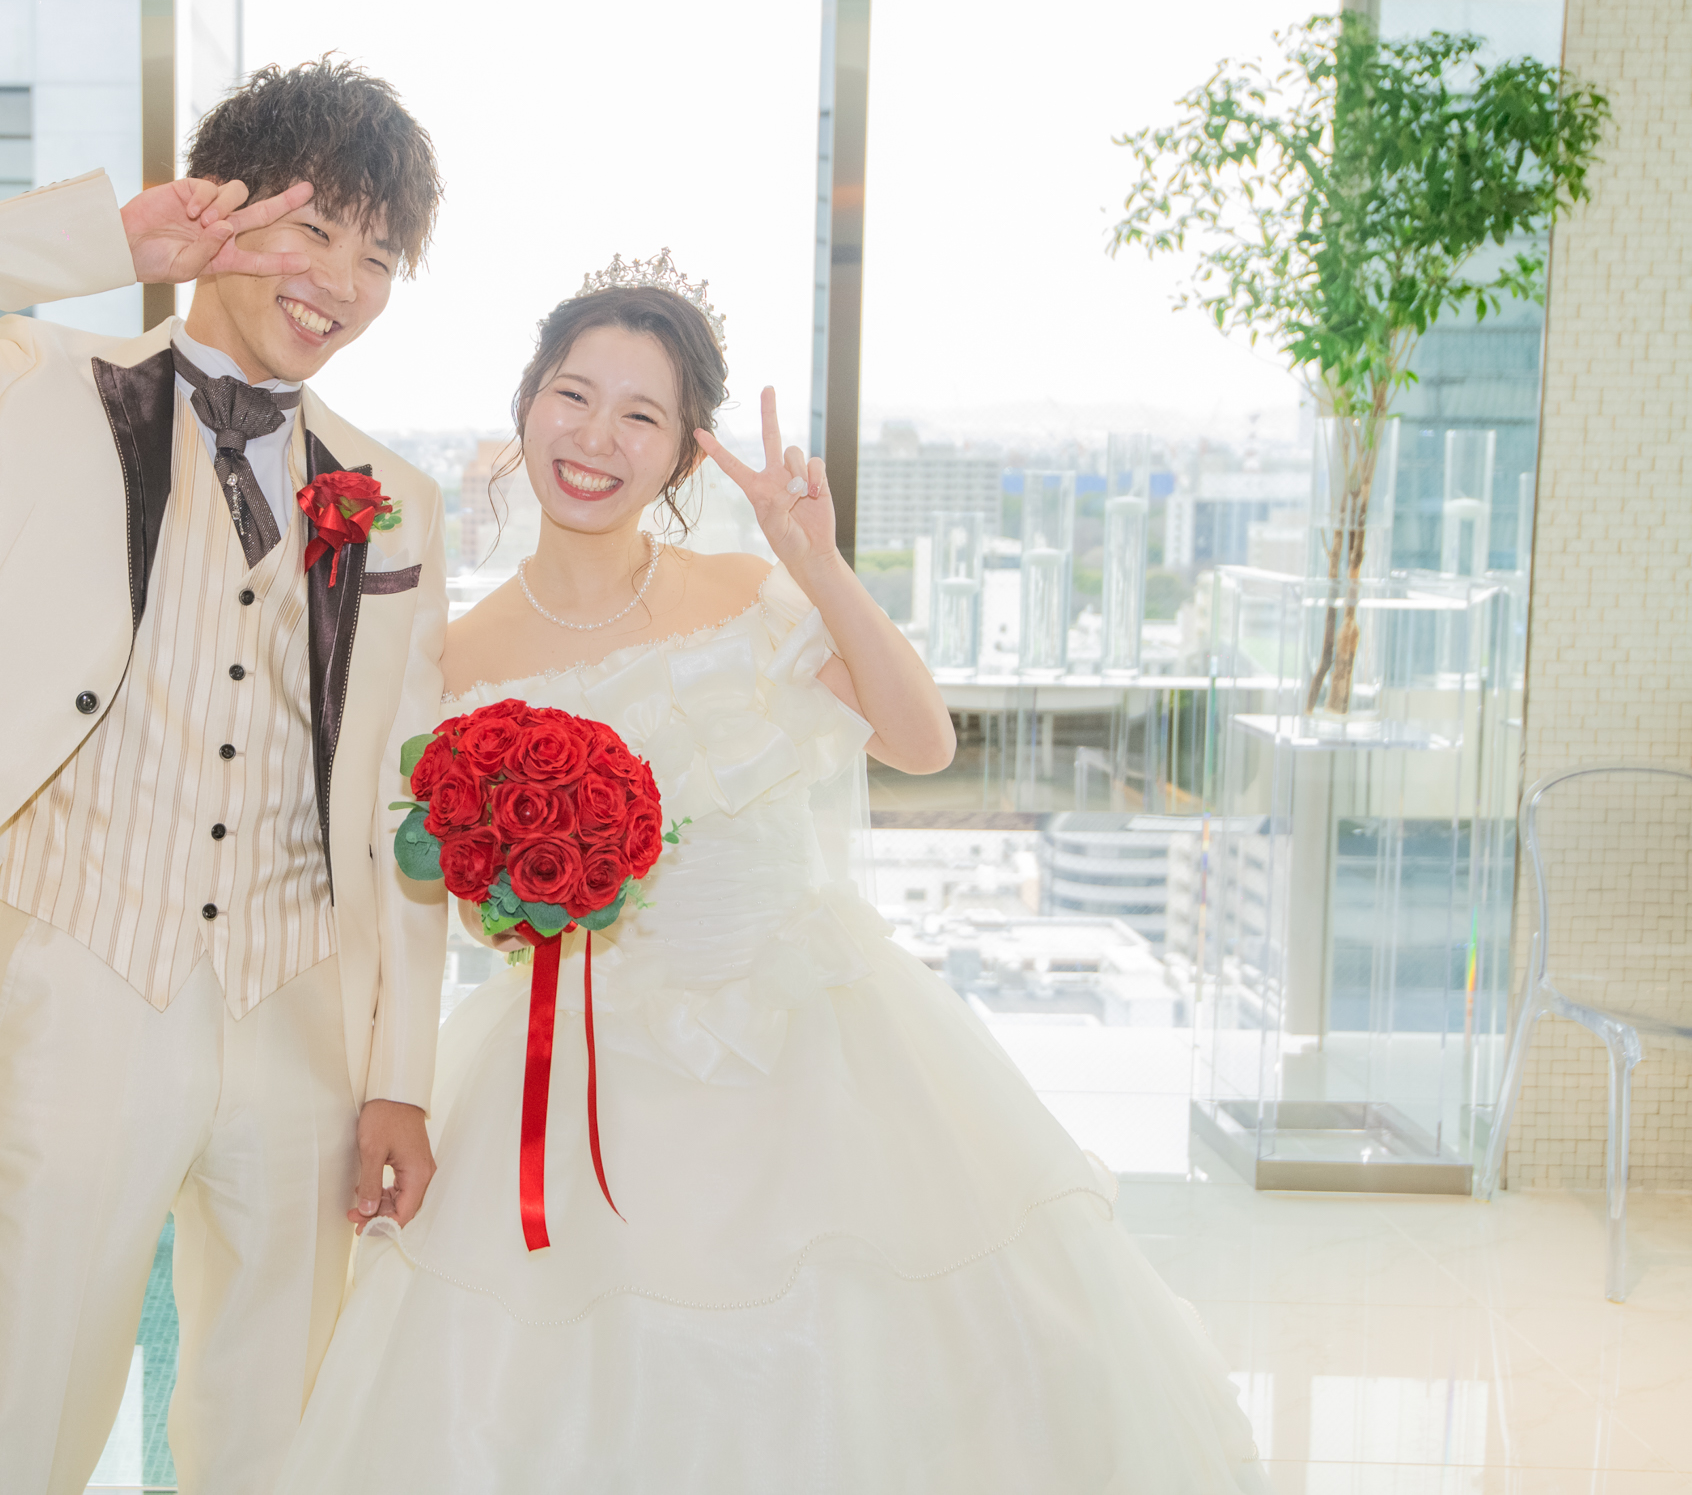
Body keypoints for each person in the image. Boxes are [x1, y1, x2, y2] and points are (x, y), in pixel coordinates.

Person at [277, 257, 1272, 1492]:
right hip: (584, 1061)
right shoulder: (457, 657)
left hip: (813, 1035)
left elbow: (921, 741)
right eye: (572, 395)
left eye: (640, 415)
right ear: (526, 403)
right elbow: (440, 895)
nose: (595, 438)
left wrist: (816, 561)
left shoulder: (746, 592)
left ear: (682, 453)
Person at [0, 60, 451, 1495]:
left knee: (273, 1427)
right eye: (316, 228)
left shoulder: (397, 500)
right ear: (224, 207)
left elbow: (398, 807)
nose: (343, 282)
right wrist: (103, 242)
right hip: (86, 972)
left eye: (380, 257)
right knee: (22, 1409)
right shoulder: (34, 390)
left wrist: (398, 1078)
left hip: (300, 1010)